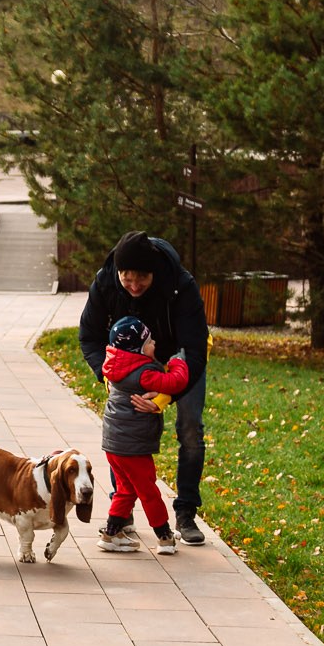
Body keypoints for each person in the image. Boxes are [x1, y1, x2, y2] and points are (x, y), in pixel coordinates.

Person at [77, 230, 211, 545]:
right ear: (118, 272)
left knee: (190, 429)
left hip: (179, 360)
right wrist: (108, 377)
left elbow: (195, 348)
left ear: (154, 273)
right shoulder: (106, 282)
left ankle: (186, 512)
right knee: (122, 433)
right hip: (129, 369)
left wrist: (167, 394)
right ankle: (121, 516)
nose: (134, 286)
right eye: (127, 279)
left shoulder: (180, 285)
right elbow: (89, 335)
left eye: (142, 279)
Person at [96, 317, 191, 554]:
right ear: (138, 349)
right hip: (132, 445)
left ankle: (111, 534)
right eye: (149, 341)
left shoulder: (116, 366)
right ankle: (165, 537)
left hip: (113, 442)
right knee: (148, 490)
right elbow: (175, 382)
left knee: (126, 489)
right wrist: (178, 362)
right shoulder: (143, 373)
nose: (154, 343)